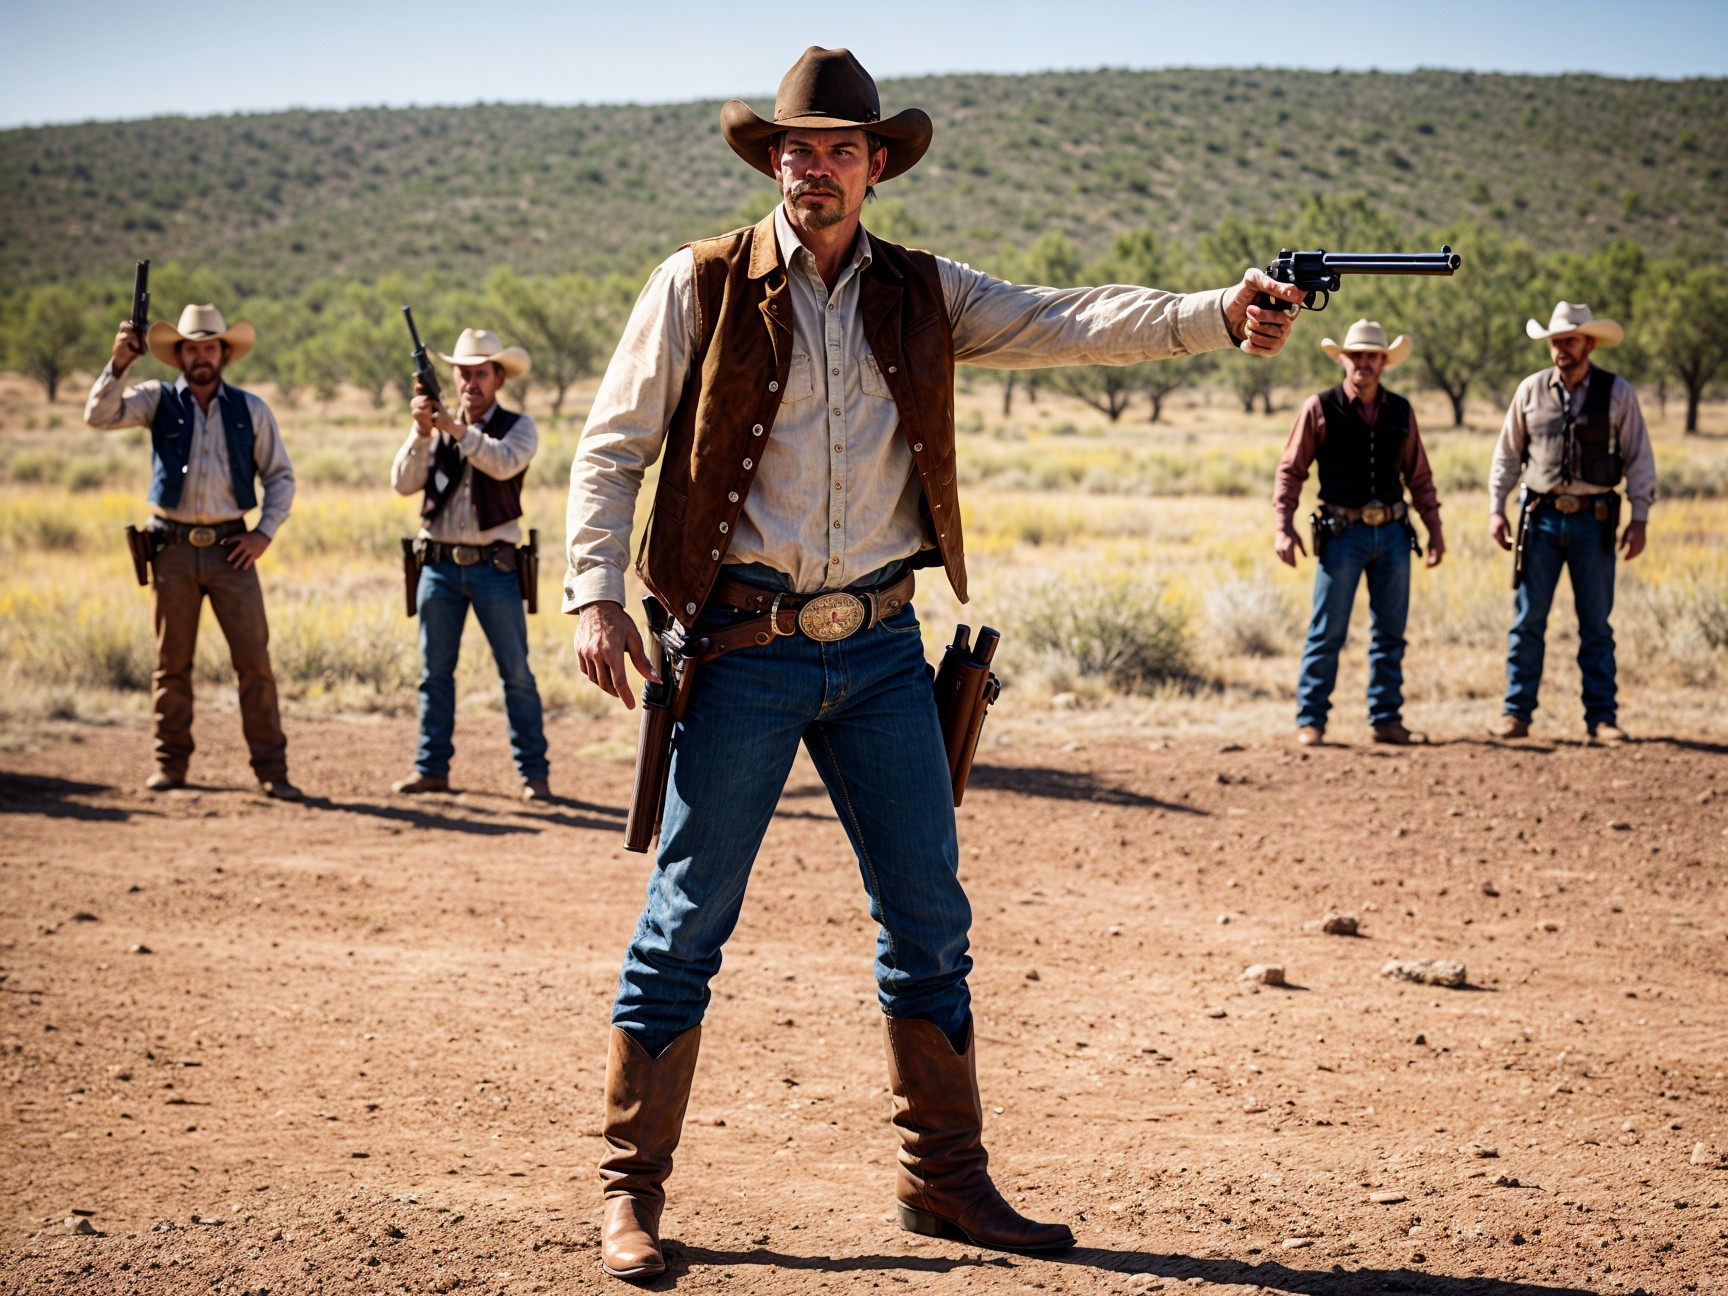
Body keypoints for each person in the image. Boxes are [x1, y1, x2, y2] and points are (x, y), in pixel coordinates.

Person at [564, 46, 1302, 1280]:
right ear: (773, 163)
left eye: (841, 149)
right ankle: (629, 1194)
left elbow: (1067, 319)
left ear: (877, 165)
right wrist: (596, 596)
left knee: (929, 921)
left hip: (887, 651)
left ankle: (944, 1180)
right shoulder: (695, 283)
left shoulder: (922, 290)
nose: (817, 169)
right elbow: (611, 449)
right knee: (686, 920)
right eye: (797, 150)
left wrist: (1216, 315)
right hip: (742, 649)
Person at [85, 304, 300, 800]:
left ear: (224, 353)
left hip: (233, 550)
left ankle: (272, 770)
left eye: (209, 346)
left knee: (254, 663)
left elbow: (281, 477)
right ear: (178, 354)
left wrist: (263, 533)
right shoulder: (156, 400)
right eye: (192, 347)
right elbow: (98, 416)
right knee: (171, 664)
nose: (201, 356)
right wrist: (119, 365)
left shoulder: (252, 409)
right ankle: (170, 765)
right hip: (172, 550)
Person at [390, 329, 550, 800]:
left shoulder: (519, 427)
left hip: (495, 569)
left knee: (516, 674)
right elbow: (403, 483)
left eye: (481, 373)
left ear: (499, 378)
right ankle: (431, 768)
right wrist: (422, 432)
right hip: (437, 566)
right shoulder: (435, 429)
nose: (470, 382)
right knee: (432, 675)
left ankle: (533, 774)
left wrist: (454, 429)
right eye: (464, 373)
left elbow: (502, 463)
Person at [1487, 302, 1655, 743]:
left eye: (1569, 340)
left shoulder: (1617, 393)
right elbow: (1507, 454)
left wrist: (1639, 517)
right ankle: (1516, 714)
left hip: (1594, 522)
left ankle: (1602, 717)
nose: (1560, 348)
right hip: (1538, 519)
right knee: (1527, 622)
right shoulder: (1530, 390)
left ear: (1589, 343)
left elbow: (1639, 457)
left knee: (1596, 624)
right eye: (1555, 342)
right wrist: (1495, 508)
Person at [1273, 319, 1444, 746]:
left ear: (1384, 361)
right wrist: (1283, 526)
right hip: (1341, 532)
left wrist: (1434, 528)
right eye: (1356, 355)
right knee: (1326, 630)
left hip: (1392, 532)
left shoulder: (1401, 411)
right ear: (1343, 359)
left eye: (1372, 355)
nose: (1364, 362)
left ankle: (1385, 719)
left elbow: (1418, 475)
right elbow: (1291, 471)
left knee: (1390, 632)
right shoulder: (1320, 407)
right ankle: (1311, 720)